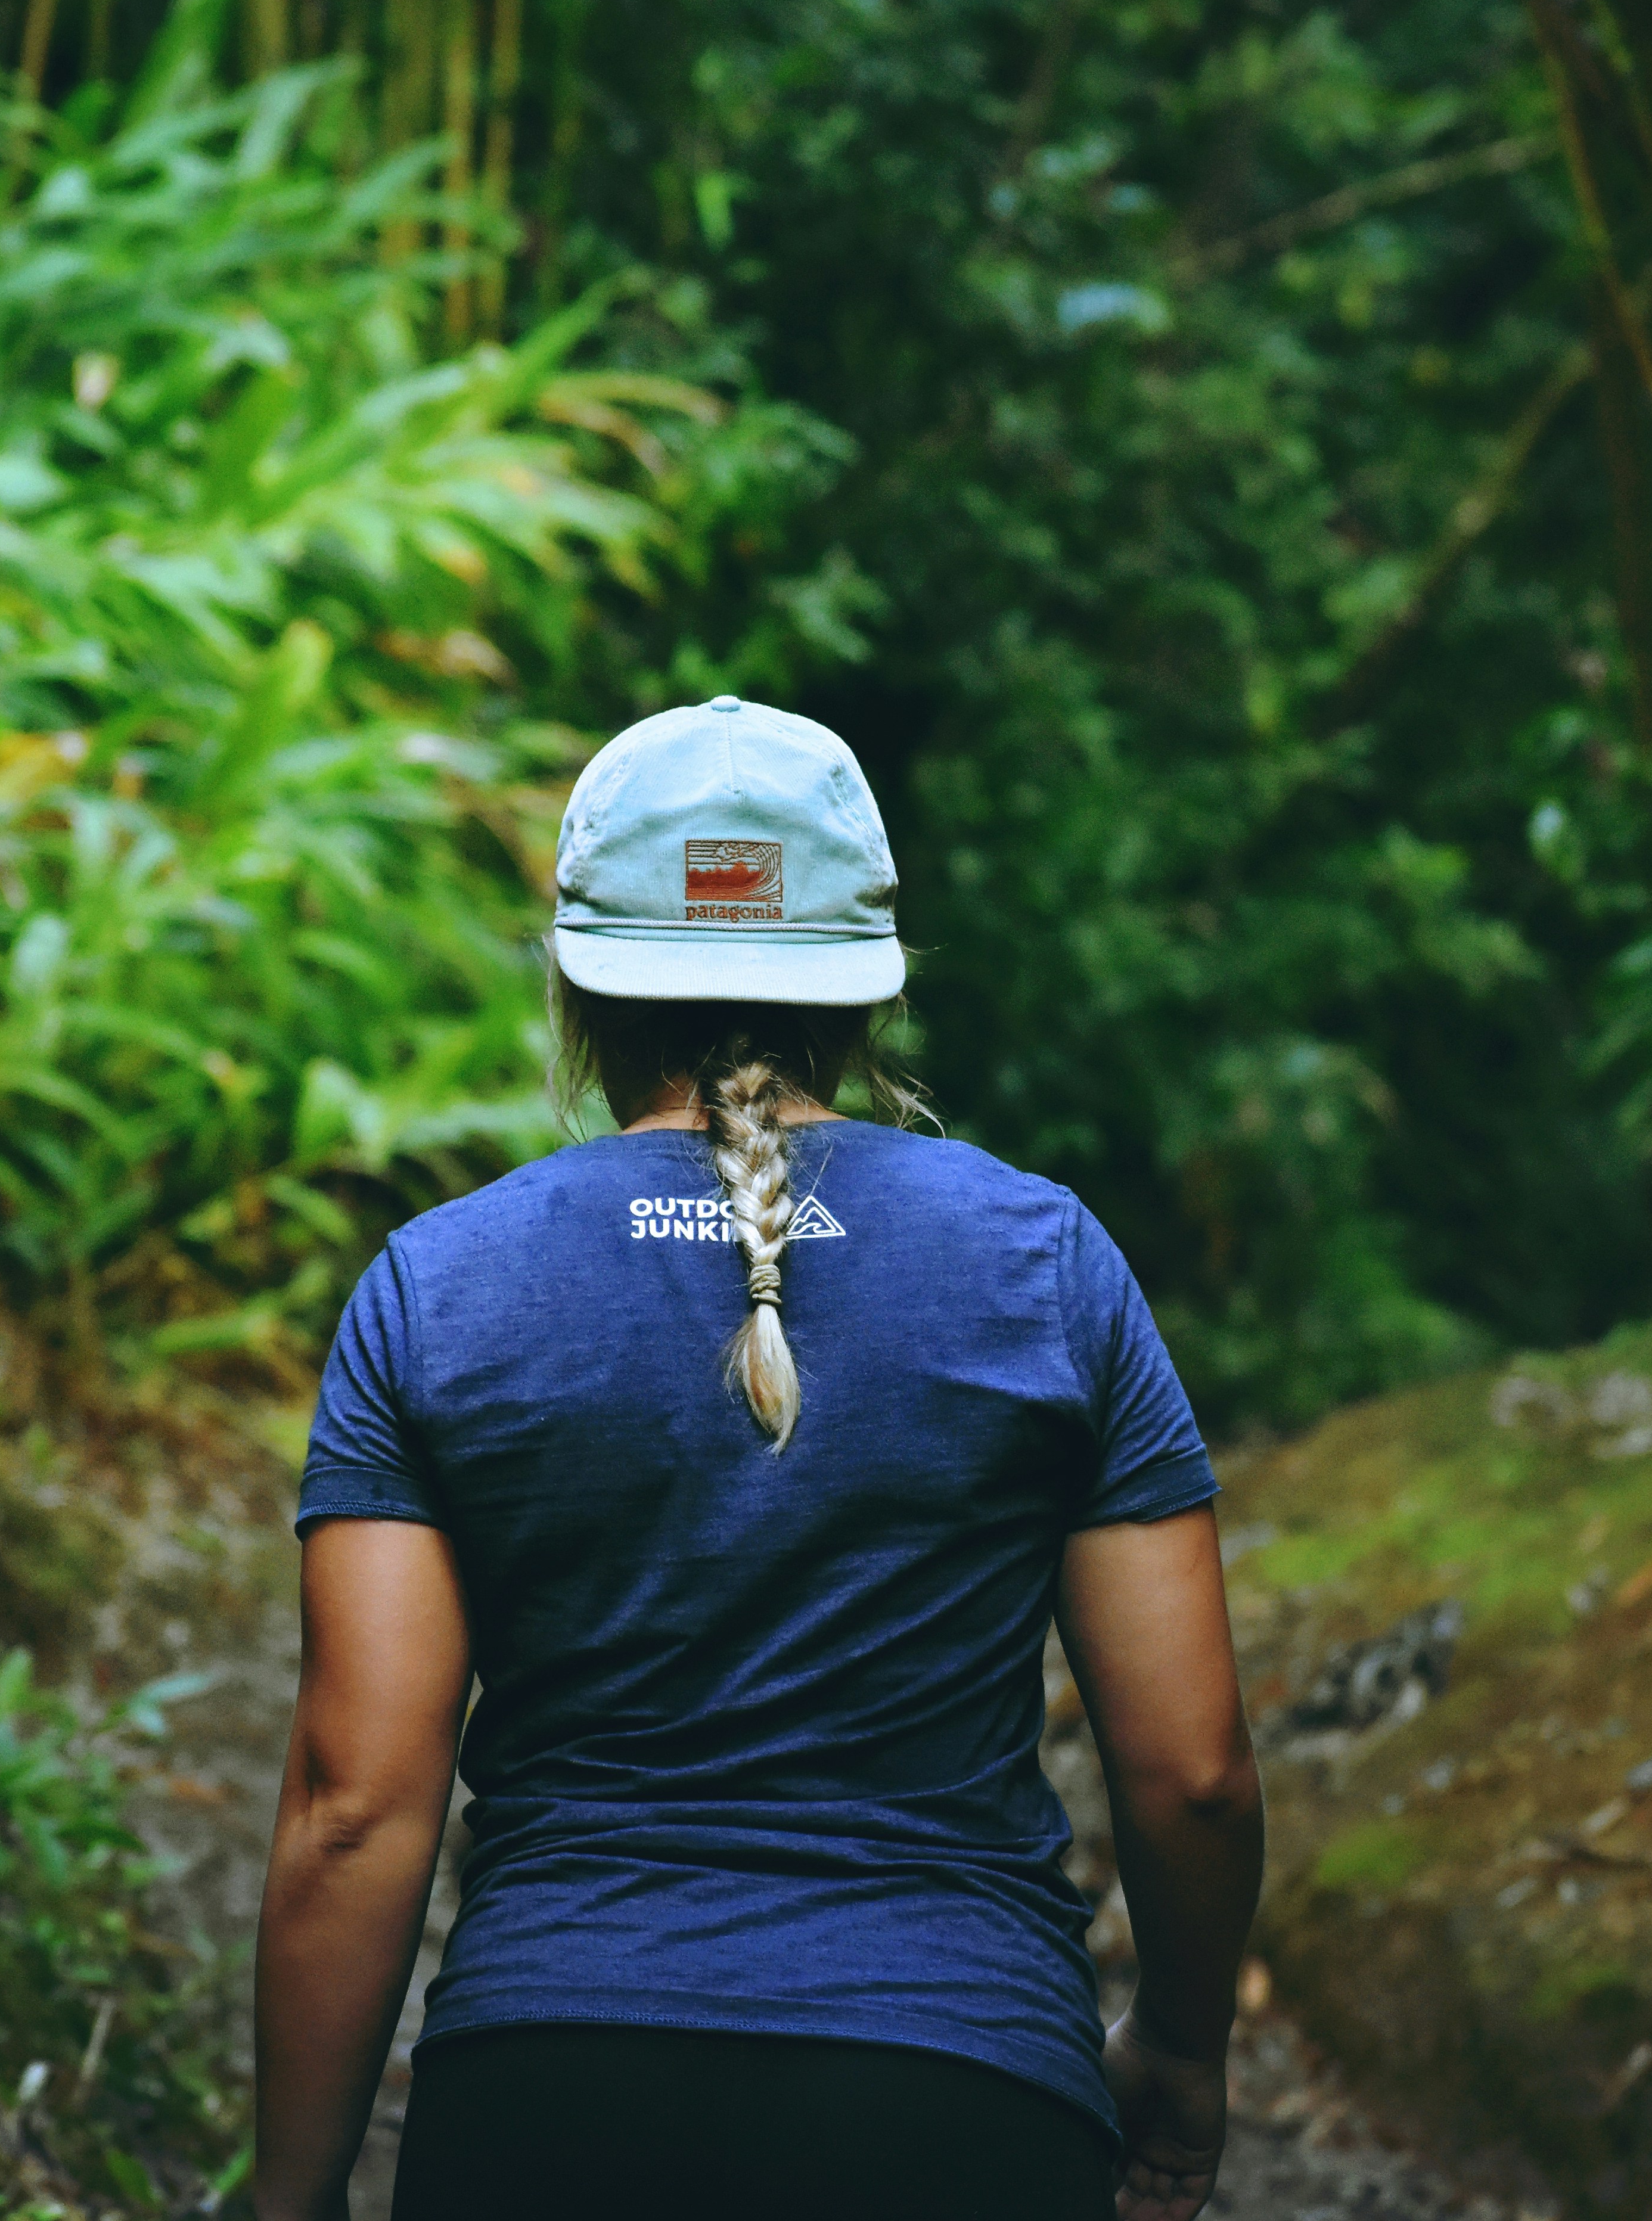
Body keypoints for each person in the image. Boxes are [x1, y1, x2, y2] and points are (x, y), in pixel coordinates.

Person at [248, 697, 1263, 2221]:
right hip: (962, 2093)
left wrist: (293, 2192)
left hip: (545, 2090)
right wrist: (1180, 2053)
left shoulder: (439, 1285)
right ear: (866, 996)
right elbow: (1190, 1774)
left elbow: (351, 1807)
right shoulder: (1044, 1261)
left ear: (582, 991)